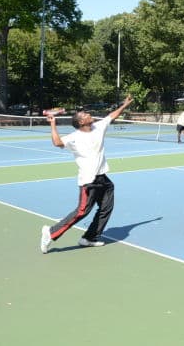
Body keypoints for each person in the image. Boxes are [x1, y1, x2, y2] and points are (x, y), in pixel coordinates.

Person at [39, 94, 134, 254]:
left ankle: (89, 237)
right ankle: (50, 232)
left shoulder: (99, 127)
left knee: (106, 208)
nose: (88, 114)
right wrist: (53, 124)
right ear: (81, 122)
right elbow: (57, 142)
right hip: (89, 180)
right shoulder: (74, 137)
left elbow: (112, 115)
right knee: (82, 211)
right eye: (85, 115)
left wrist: (124, 105)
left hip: (103, 178)